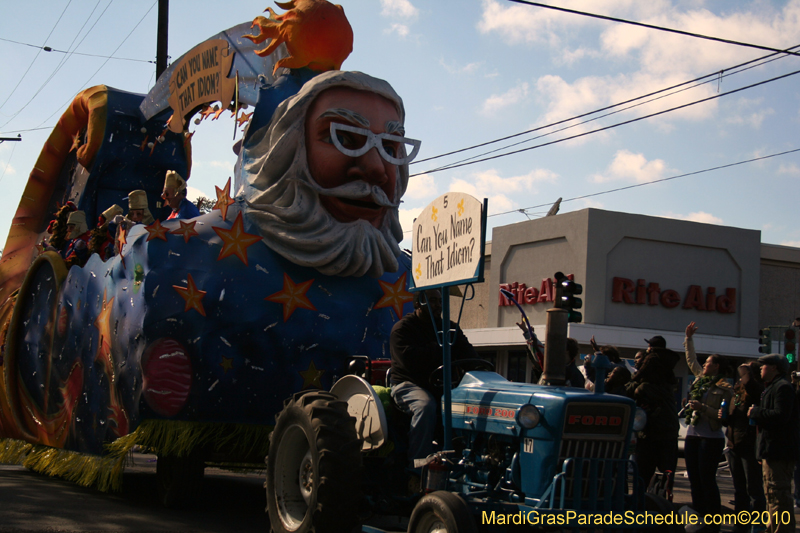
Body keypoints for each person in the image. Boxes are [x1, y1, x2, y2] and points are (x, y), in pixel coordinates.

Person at [238, 70, 418, 278]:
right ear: (289, 147)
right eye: (341, 138)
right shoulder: (207, 250)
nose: (376, 168)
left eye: (389, 148)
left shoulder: (412, 284)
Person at [389, 289, 478, 469]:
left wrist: (480, 370)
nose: (438, 305)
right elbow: (410, 362)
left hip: (442, 386)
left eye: (440, 301)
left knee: (471, 404)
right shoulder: (403, 329)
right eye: (432, 301)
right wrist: (441, 349)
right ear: (417, 303)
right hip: (408, 384)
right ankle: (418, 465)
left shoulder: (450, 328)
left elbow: (469, 355)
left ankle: (470, 460)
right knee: (425, 406)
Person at [683, 321, 733, 532]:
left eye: (709, 363)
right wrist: (688, 338)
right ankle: (698, 516)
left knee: (706, 478)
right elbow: (691, 359)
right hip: (693, 434)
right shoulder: (700, 380)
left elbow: (723, 416)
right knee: (694, 477)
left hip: (710, 438)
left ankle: (713, 520)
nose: (704, 365)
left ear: (717, 366)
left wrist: (702, 407)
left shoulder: (725, 387)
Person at [747, 354, 799, 533]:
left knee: (779, 497)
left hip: (779, 452)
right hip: (771, 451)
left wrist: (756, 412)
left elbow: (781, 416)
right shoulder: (772, 387)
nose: (761, 369)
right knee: (771, 496)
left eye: (764, 365)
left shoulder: (782, 388)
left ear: (774, 368)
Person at [624, 335, 680, 494]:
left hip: (650, 431)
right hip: (668, 430)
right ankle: (662, 505)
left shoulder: (651, 367)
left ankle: (640, 507)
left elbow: (631, 386)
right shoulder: (668, 369)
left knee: (642, 474)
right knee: (666, 475)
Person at [720, 362, 766, 533]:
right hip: (734, 444)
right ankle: (741, 526)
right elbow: (731, 419)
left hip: (749, 445)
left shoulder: (757, 391)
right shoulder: (736, 394)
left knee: (753, 489)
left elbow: (750, 383)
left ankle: (758, 526)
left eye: (743, 375)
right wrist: (724, 417)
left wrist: (745, 367)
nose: (740, 378)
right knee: (740, 490)